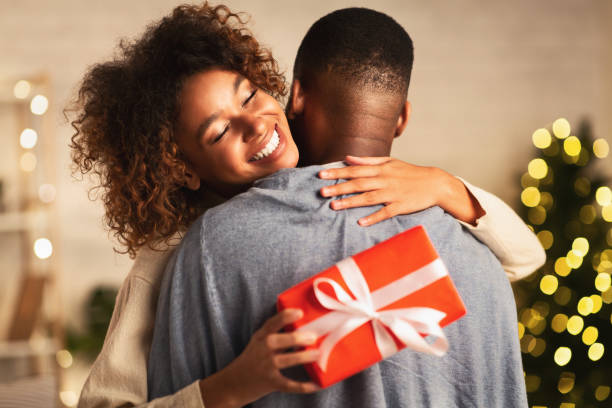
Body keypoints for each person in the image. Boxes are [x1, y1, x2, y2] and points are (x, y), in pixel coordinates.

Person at [72, 3, 542, 407]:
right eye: (218, 131)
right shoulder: (174, 255)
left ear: (288, 95)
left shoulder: (358, 191)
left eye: (250, 95)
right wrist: (232, 386)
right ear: (182, 169)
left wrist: (445, 187)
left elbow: (525, 256)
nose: (254, 125)